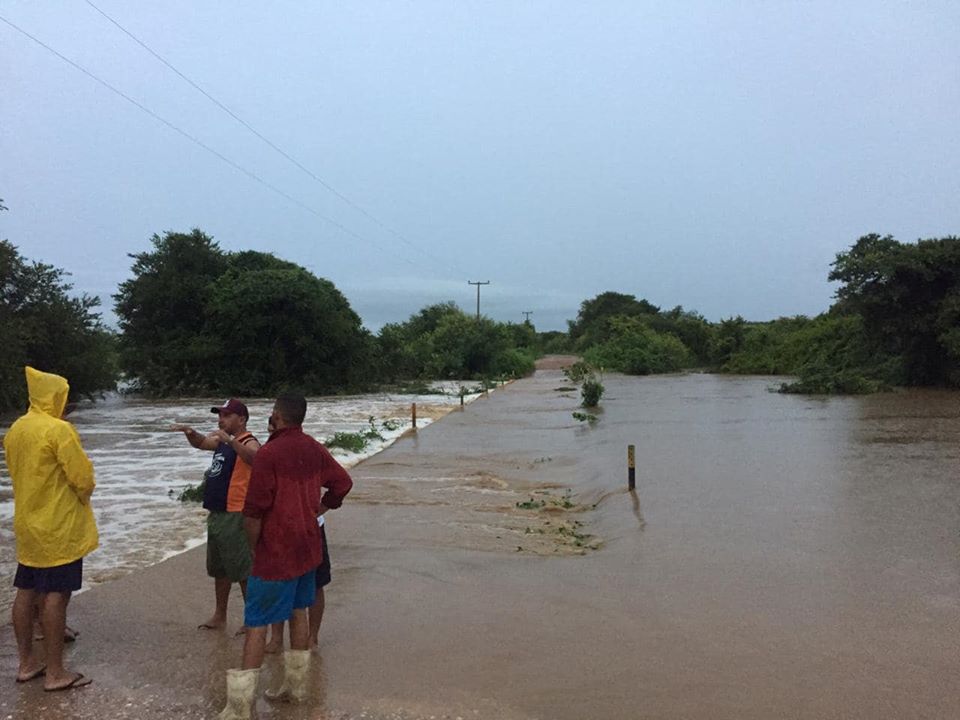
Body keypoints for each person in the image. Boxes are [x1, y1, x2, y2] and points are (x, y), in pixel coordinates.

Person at [218, 394, 353, 719]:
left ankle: (239, 708)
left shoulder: (269, 454)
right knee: (298, 612)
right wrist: (320, 508)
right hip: (308, 547)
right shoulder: (313, 448)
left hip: (276, 550)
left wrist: (254, 546)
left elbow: (253, 513)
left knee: (256, 624)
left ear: (276, 416)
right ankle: (296, 688)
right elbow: (343, 483)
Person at [5, 367, 97, 691]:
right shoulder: (59, 430)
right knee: (55, 594)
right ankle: (56, 672)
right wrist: (85, 493)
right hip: (58, 526)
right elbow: (83, 479)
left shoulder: (16, 429)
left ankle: (27, 663)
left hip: (28, 523)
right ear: (54, 396)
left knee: (26, 591)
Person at [171, 398, 260, 631]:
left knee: (243, 570)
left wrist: (230, 441)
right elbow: (201, 443)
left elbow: (256, 459)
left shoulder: (247, 441)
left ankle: (253, 619)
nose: (221, 420)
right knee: (220, 570)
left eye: (226, 415)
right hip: (218, 512)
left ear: (241, 419)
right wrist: (190, 432)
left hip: (236, 513)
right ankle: (220, 615)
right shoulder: (222, 441)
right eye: (220, 415)